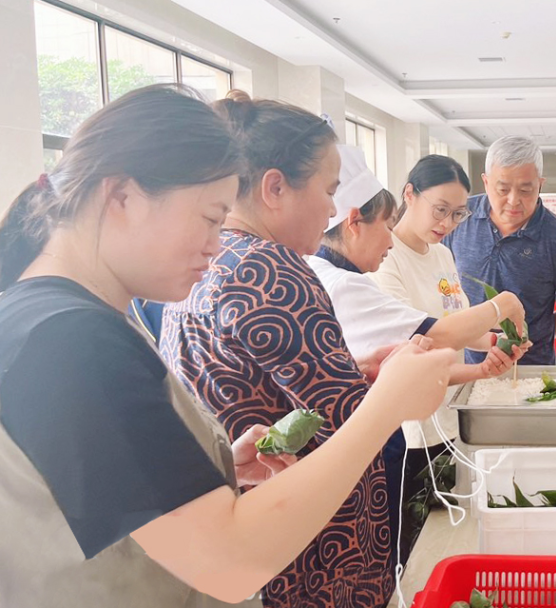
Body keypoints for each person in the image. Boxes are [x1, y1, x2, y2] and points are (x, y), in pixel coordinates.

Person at [0, 84, 450, 607]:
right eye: (210, 219)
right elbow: (228, 565)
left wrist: (212, 476)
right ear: (122, 196)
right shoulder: (71, 339)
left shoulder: (49, 315)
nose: (217, 245)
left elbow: (97, 493)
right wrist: (386, 406)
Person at [159, 90, 430, 608]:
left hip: (245, 531)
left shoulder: (213, 258)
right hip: (310, 551)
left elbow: (264, 385)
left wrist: (353, 369)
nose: (331, 210)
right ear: (275, 188)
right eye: (328, 191)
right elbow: (347, 421)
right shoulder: (272, 271)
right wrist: (404, 387)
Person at [310, 147, 528, 564]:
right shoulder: (371, 270)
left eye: (458, 214)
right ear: (409, 195)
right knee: (404, 543)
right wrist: (502, 305)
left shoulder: (441, 254)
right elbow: (431, 340)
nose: (447, 223)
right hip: (409, 431)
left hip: (443, 416)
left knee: (431, 535)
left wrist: (494, 342)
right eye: (440, 210)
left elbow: (456, 323)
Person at [442, 135, 556, 366]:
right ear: (486, 182)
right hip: (468, 365)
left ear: (540, 185)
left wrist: (536, 336)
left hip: (531, 368)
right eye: (503, 189)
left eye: (526, 190)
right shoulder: (460, 218)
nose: (513, 200)